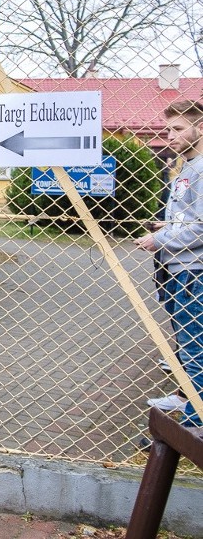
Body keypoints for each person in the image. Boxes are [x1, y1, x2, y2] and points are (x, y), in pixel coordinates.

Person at [134, 99, 203, 428]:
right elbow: (187, 219)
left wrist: (160, 239)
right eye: (168, 128)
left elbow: (201, 226)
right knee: (186, 343)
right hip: (177, 269)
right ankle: (186, 398)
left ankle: (194, 423)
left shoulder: (201, 169)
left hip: (194, 272)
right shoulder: (187, 168)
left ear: (200, 128)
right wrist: (166, 228)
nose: (170, 135)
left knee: (194, 348)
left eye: (178, 129)